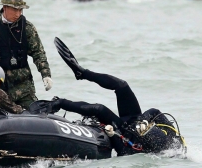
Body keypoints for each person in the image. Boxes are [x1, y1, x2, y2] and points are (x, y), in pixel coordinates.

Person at [49, 38, 185, 156]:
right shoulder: (172, 138)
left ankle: (59, 103)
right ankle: (82, 73)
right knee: (122, 85)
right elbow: (155, 112)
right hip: (135, 117)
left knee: (99, 109)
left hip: (123, 132)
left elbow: (123, 152)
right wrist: (144, 120)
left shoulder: (141, 150)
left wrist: (112, 135)